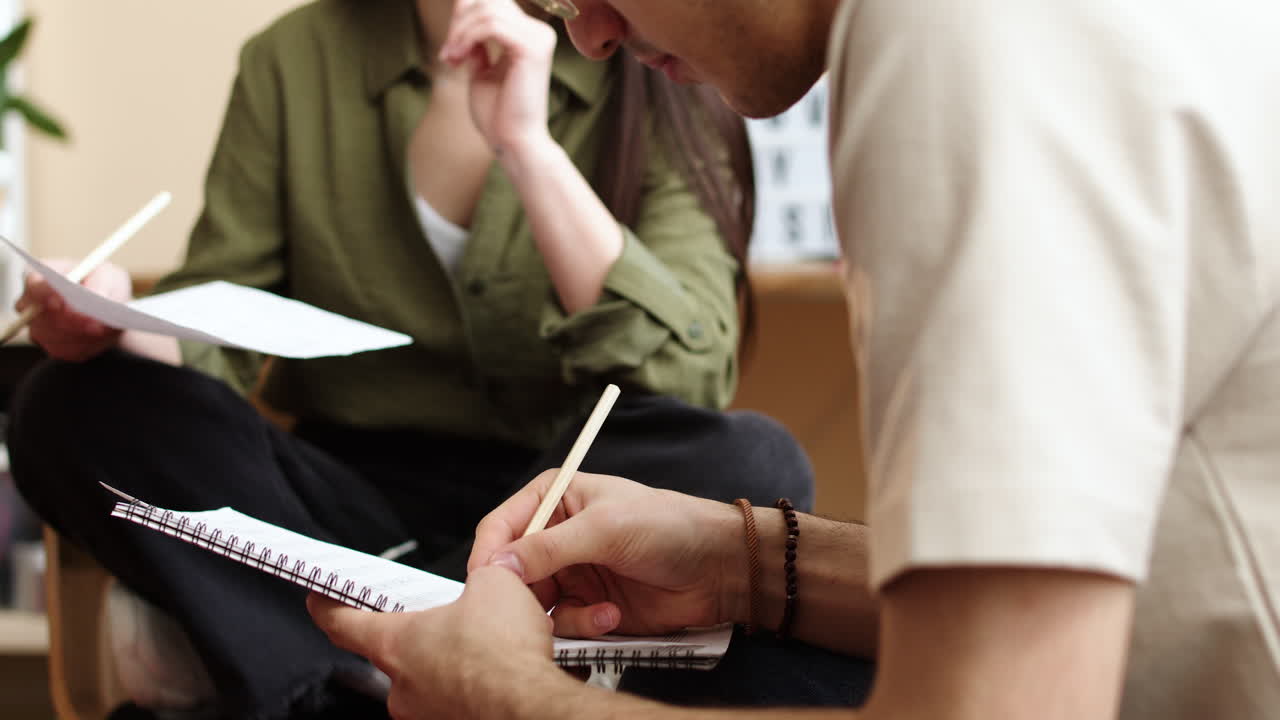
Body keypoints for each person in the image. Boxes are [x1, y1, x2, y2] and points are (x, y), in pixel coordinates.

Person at [308, 0, 1280, 719]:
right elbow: (1097, 581)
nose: (590, 34)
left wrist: (502, 697)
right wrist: (745, 563)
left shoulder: (957, 43)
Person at [6, 0, 816, 717]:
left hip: (564, 501)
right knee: (65, 402)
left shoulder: (644, 42)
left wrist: (528, 148)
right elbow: (213, 337)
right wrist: (110, 321)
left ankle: (311, 663)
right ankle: (388, 667)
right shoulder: (293, 57)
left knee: (752, 460)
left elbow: (692, 372)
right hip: (341, 507)